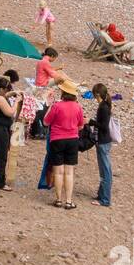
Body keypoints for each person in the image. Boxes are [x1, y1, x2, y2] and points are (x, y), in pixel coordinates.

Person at [45, 81, 85, 209]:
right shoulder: (78, 107)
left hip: (57, 139)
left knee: (58, 171)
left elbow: (46, 122)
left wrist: (50, 107)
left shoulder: (57, 106)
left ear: (63, 93)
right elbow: (81, 125)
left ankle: (58, 200)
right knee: (69, 172)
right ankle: (68, 201)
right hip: (72, 140)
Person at [0, 76, 21, 191]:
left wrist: (12, 93)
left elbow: (4, 97)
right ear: (3, 89)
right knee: (1, 155)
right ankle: (0, 181)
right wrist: (17, 102)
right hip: (0, 129)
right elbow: (10, 112)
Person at [88, 82, 114, 208]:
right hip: (103, 141)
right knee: (104, 171)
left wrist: (91, 122)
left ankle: (105, 199)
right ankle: (101, 195)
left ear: (97, 94)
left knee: (105, 172)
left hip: (103, 141)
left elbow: (103, 126)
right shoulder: (104, 105)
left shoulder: (103, 107)